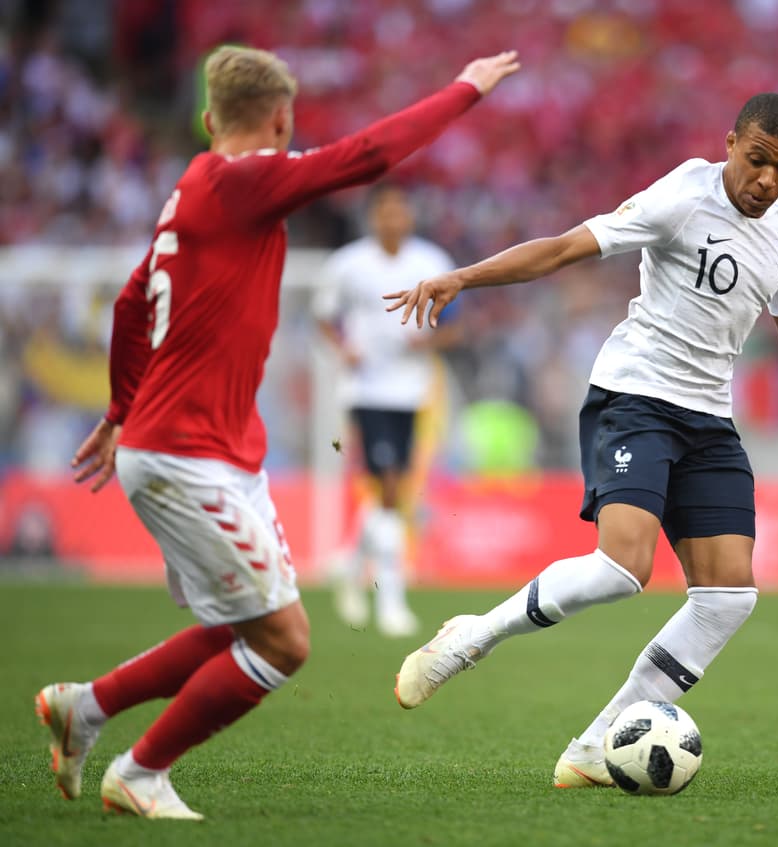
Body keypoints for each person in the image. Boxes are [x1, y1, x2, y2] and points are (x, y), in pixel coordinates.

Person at [38, 45, 519, 820]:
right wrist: (466, 88)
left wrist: (122, 406)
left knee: (243, 624)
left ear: (205, 120)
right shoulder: (242, 180)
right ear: (281, 119)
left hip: (207, 447)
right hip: (184, 453)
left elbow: (132, 303)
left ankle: (85, 708)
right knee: (284, 641)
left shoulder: (190, 185)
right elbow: (368, 155)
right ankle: (141, 770)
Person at [385, 93, 778, 788]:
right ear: (732, 142)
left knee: (729, 597)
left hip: (709, 421)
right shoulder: (683, 194)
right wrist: (464, 277)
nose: (768, 180)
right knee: (623, 568)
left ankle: (595, 744)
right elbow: (565, 248)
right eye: (758, 160)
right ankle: (472, 636)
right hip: (637, 396)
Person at [315, 183, 463, 638]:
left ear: (410, 217)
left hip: (413, 391)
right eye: (384, 211)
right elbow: (324, 316)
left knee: (390, 488)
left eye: (400, 210)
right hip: (365, 390)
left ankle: (349, 561)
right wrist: (345, 350)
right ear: (372, 217)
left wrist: (428, 341)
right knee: (392, 486)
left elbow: (455, 329)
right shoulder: (347, 265)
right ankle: (391, 602)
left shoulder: (433, 263)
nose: (392, 219)